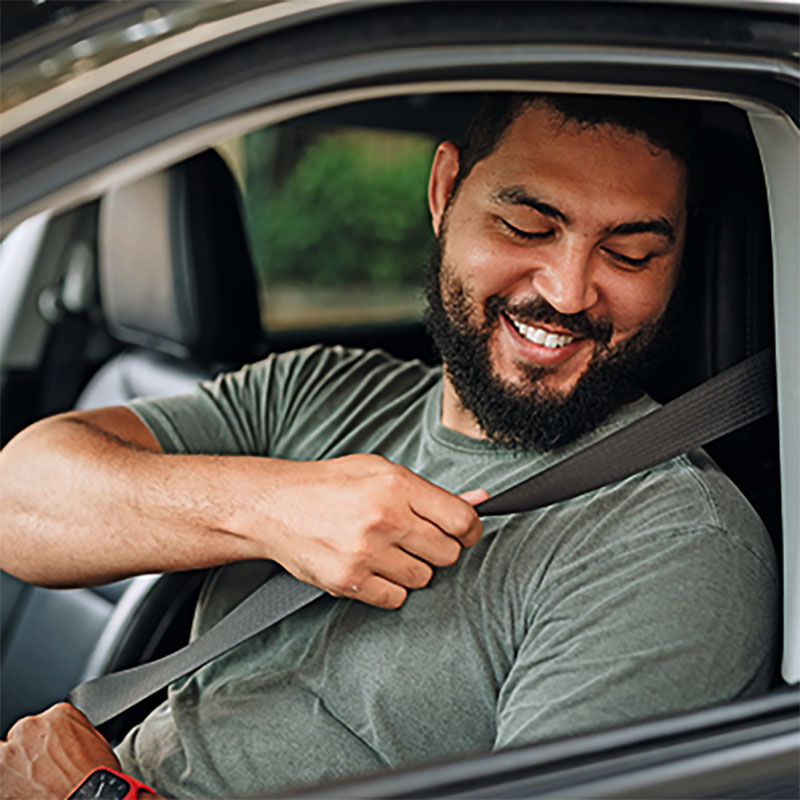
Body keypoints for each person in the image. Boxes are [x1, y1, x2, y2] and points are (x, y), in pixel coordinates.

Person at [0, 93, 778, 799]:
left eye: (632, 253)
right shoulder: (321, 391)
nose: (568, 291)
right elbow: (18, 500)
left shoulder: (672, 541)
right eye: (527, 226)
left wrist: (92, 798)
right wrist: (270, 508)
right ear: (444, 193)